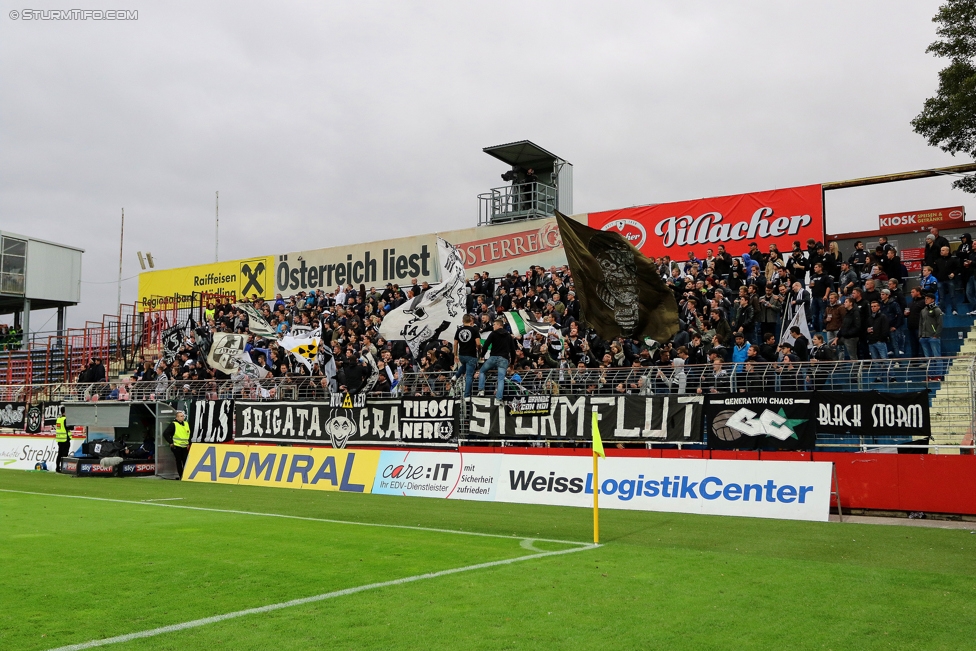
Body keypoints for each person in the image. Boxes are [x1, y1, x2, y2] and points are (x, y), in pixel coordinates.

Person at [478, 318, 515, 400]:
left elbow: (486, 345)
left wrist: (482, 355)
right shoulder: (509, 336)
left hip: (493, 357)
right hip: (504, 359)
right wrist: (512, 363)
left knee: (482, 371)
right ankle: (499, 398)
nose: (493, 326)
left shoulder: (493, 334)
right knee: (501, 379)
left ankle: (481, 390)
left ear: (499, 325)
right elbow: (513, 351)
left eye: (494, 325)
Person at [452, 314, 481, 398]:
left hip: (462, 355)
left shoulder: (459, 330)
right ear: (471, 321)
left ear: (462, 321)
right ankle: (467, 395)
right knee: (469, 375)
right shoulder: (474, 330)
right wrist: (480, 351)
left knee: (464, 365)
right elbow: (478, 343)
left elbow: (455, 343)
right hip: (471, 354)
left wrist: (455, 355)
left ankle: (455, 376)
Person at [919, 292, 944, 381]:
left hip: (933, 337)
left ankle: (938, 376)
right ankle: (930, 375)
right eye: (925, 298)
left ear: (932, 299)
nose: (926, 300)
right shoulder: (923, 310)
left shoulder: (937, 310)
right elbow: (921, 324)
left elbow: (940, 324)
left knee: (936, 357)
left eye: (928, 298)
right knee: (928, 358)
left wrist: (936, 335)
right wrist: (920, 335)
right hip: (924, 337)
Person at [162, 411, 191, 479]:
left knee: (185, 460)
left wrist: (188, 443)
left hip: (184, 446)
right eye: (181, 416)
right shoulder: (173, 424)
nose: (182, 417)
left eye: (183, 416)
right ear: (177, 417)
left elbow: (188, 434)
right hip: (176, 446)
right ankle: (181, 475)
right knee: (179, 460)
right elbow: (165, 433)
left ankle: (186, 475)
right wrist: (171, 442)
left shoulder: (186, 424)